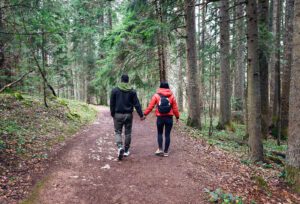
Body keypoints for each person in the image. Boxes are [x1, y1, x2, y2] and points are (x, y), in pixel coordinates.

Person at [110, 74, 145, 160]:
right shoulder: (132, 91)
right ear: (128, 81)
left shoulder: (115, 90)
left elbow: (112, 103)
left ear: (121, 80)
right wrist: (141, 115)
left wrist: (112, 113)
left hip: (117, 114)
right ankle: (126, 150)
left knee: (118, 132)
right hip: (128, 115)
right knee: (128, 133)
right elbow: (137, 104)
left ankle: (119, 147)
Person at [144, 82, 180, 157]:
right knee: (167, 134)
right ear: (168, 87)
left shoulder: (156, 95)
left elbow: (151, 106)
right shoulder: (172, 96)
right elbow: (175, 108)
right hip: (169, 118)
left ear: (160, 87)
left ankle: (160, 149)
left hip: (160, 118)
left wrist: (145, 114)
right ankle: (166, 152)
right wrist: (177, 117)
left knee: (160, 133)